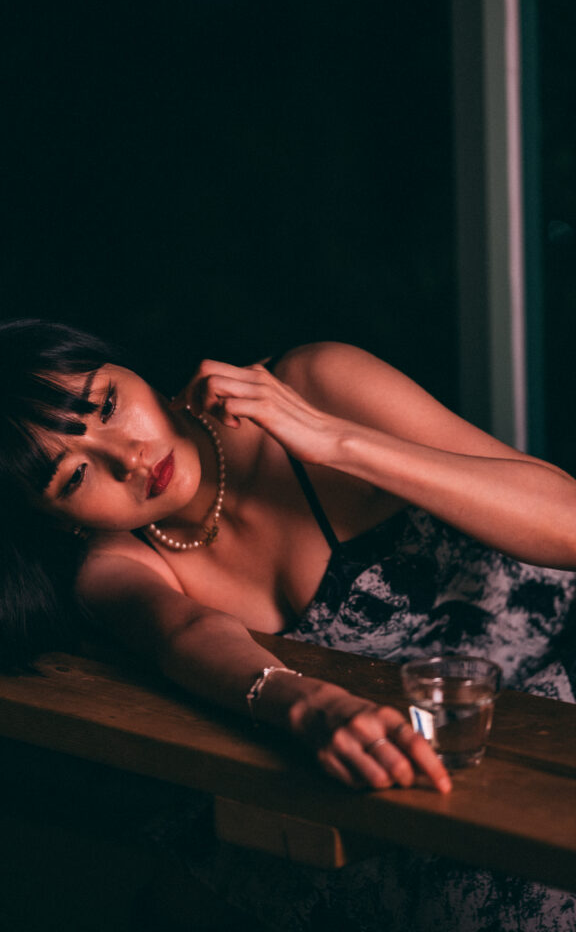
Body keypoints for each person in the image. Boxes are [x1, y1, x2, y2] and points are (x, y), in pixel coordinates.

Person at [2, 317, 576, 930]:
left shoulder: (314, 382)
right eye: (75, 476)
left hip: (556, 681)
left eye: (108, 405)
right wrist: (311, 706)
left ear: (128, 369)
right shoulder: (116, 564)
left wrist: (335, 441)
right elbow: (185, 634)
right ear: (56, 519)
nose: (129, 458)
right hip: (417, 766)